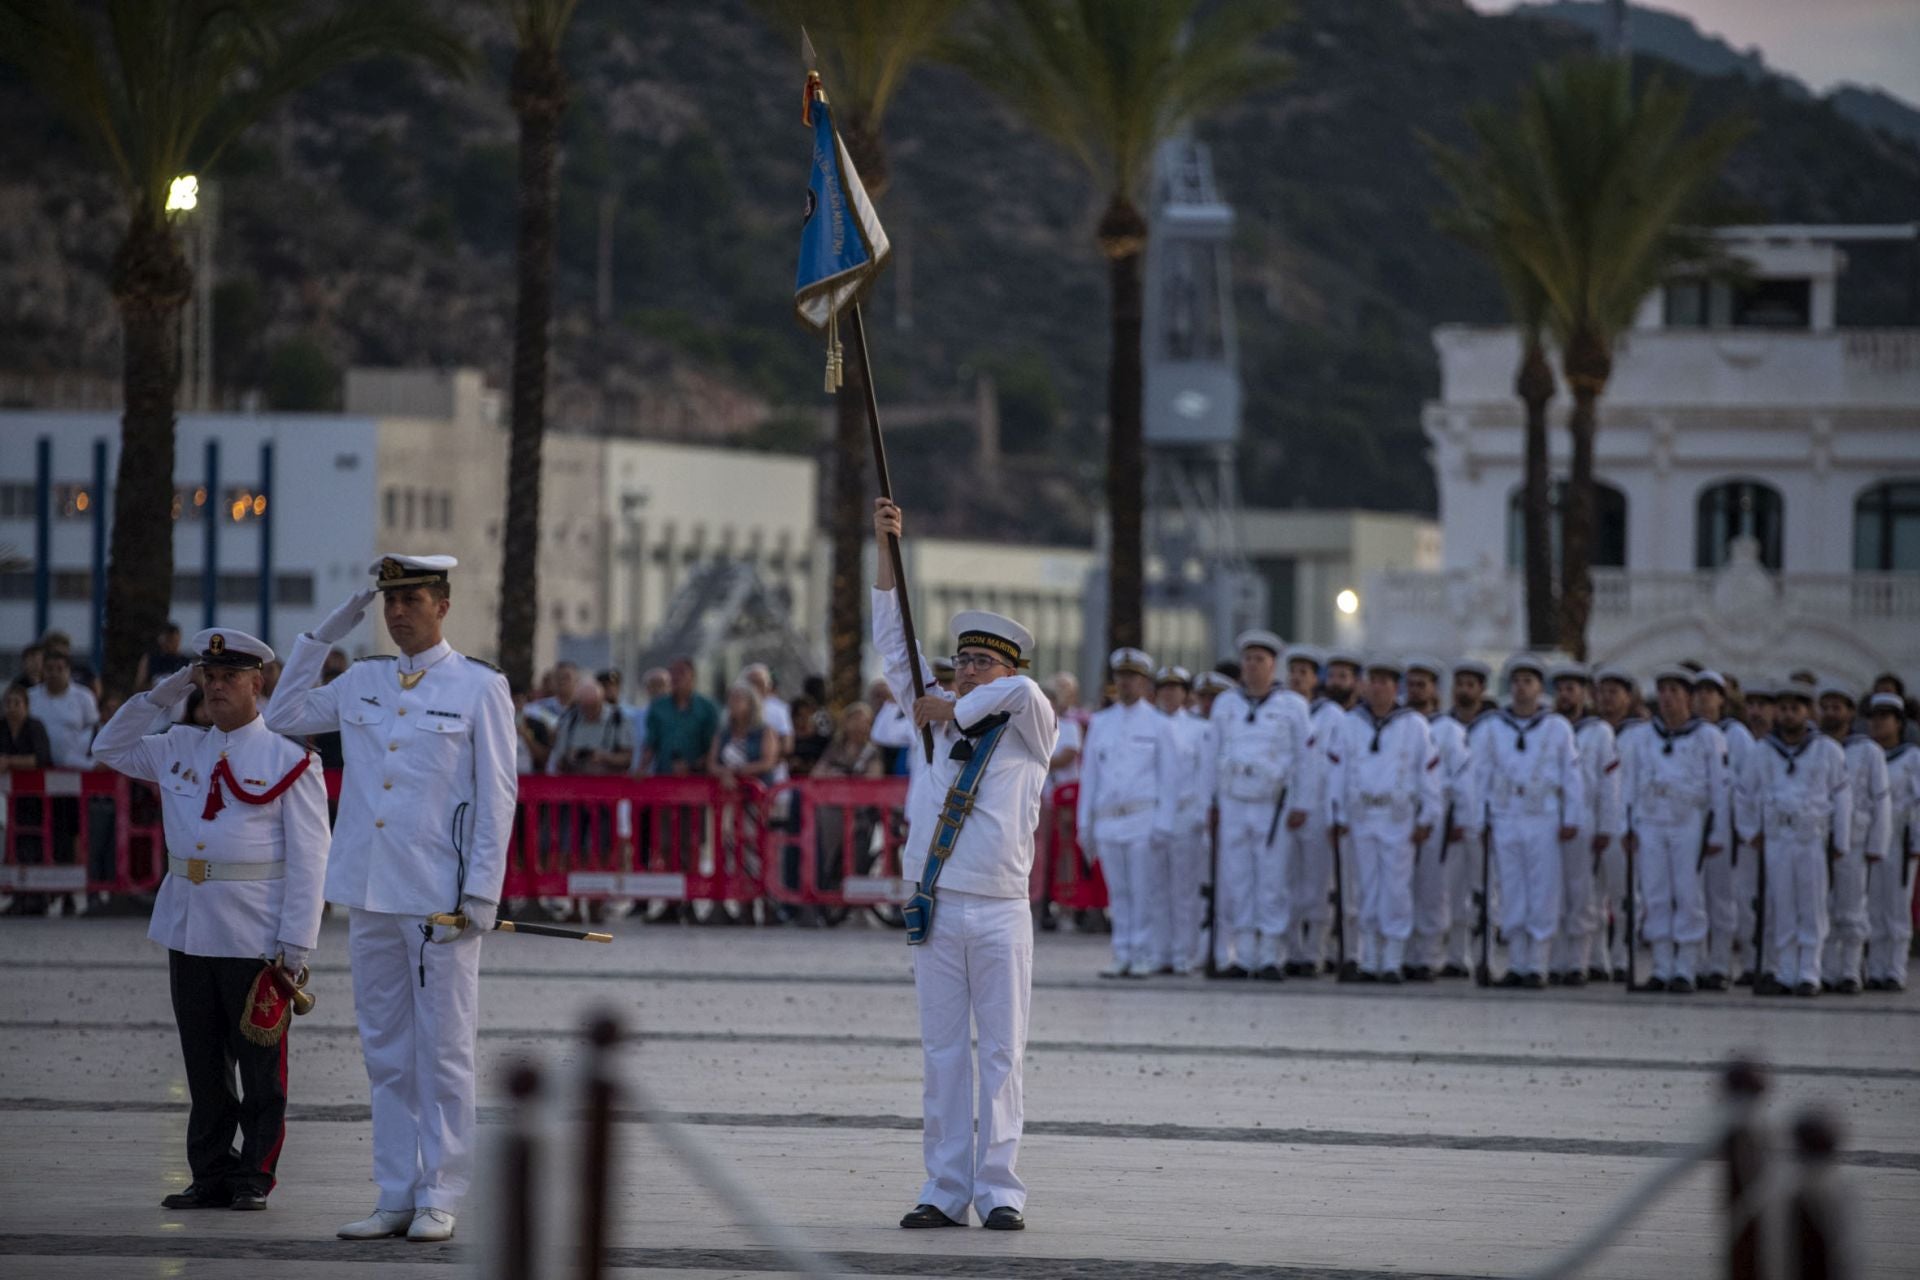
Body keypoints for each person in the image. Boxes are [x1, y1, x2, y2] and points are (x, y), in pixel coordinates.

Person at [264, 555, 515, 1243]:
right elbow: (283, 713)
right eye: (388, 601)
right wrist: (324, 632)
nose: (397, 611)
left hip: (439, 900)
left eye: (412, 599)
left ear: (442, 605)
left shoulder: (478, 687)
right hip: (370, 892)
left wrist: (482, 893)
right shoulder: (363, 680)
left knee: (444, 1048)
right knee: (386, 1050)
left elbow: (498, 797)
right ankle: (396, 1190)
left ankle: (442, 1190)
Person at [92, 629, 330, 1212]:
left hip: (256, 934)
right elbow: (108, 747)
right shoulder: (179, 744)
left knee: (260, 1066)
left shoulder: (290, 760)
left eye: (230, 677)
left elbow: (311, 858)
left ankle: (256, 1173)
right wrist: (168, 690)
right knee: (203, 1063)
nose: (218, 687)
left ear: (258, 684)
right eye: (210, 676)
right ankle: (210, 1171)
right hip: (189, 925)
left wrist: (295, 946)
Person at [873, 498, 1055, 1233]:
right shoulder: (934, 714)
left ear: (1007, 667)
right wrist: (888, 549)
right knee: (944, 1053)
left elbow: (1025, 691)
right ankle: (945, 1188)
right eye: (962, 661)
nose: (968, 671)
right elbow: (894, 642)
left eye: (982, 661)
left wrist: (951, 707)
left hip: (1003, 908)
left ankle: (1000, 1189)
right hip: (940, 906)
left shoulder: (1026, 725)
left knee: (1002, 1055)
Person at [1326, 656, 1441, 983]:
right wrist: (1335, 814)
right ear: (1363, 685)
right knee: (1365, 888)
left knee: (1396, 888)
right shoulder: (1350, 723)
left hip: (1397, 816)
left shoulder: (1414, 725)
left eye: (1385, 682)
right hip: (1361, 814)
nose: (1378, 688)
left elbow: (1429, 773)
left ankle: (1392, 959)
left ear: (1396, 687)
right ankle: (1368, 958)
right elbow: (1337, 771)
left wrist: (1427, 816)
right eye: (1373, 681)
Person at [1473, 655, 1583, 989]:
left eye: (1528, 682)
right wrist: (1479, 818)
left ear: (1540, 688)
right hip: (1506, 814)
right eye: (1517, 682)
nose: (1522, 689)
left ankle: (1538, 963)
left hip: (1542, 815)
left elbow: (1571, 775)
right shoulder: (1492, 726)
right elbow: (1479, 775)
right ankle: (1517, 962)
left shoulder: (1557, 727)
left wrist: (1572, 816)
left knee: (1543, 888)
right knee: (1512, 890)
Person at [1208, 630, 1311, 979]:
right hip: (1235, 800)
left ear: (1273, 665)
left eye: (1259, 660)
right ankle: (1243, 954)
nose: (1252, 666)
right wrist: (1212, 802)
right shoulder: (1226, 704)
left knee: (1272, 880)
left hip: (1273, 805)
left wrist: (1302, 803)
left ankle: (1270, 954)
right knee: (1238, 879)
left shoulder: (1293, 706)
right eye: (1247, 660)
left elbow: (1304, 759)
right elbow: (1213, 755)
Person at [1737, 680, 1850, 997]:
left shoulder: (1826, 749)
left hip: (1811, 836)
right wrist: (1750, 832)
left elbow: (1842, 798)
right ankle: (1786, 970)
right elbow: (1745, 794)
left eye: (1795, 709)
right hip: (1777, 836)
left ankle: (1809, 971)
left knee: (1812, 906)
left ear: (1808, 712)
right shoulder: (1763, 751)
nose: (1788, 715)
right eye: (1783, 709)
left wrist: (1840, 841)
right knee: (1781, 904)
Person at [1618, 668, 1726, 994]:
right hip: (1650, 820)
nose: (1667, 698)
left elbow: (1720, 789)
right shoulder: (1641, 736)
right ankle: (1662, 966)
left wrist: (1717, 832)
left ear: (1689, 698)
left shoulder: (1707, 736)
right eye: (1663, 691)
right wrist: (1626, 826)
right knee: (1655, 894)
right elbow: (1629, 784)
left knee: (1687, 894)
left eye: (1674, 691)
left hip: (1688, 820)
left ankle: (1686, 968)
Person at [1079, 648, 1174, 978]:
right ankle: (1122, 951)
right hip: (1108, 818)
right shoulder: (1101, 723)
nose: (1126, 683)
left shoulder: (1159, 724)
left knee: (1142, 890)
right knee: (1118, 893)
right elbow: (1090, 777)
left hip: (1143, 817)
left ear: (1145, 682)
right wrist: (1084, 825)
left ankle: (1143, 952)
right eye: (1121, 677)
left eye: (1132, 677)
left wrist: (1164, 823)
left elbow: (1168, 778)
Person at [1550, 664, 1621, 986]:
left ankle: (1583, 960)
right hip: (1550, 819)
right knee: (1552, 892)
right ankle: (1556, 959)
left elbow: (1609, 784)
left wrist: (1607, 826)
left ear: (1584, 694)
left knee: (1584, 893)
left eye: (1572, 689)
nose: (1566, 695)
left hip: (1587, 821)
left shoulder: (1599, 731)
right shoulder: (1548, 728)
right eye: (1561, 689)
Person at [1818, 682, 1889, 994]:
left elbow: (1881, 799)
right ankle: (1827, 970)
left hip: (1856, 841)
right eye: (1827, 707)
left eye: (1838, 707)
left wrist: (1878, 844)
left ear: (1849, 713)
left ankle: (1850, 969)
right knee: (1822, 907)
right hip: (1818, 840)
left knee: (1851, 907)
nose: (1832, 713)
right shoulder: (1815, 747)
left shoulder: (1868, 751)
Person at [1403, 658, 1472, 981]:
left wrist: (1459, 818)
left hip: (1439, 817)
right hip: (1401, 814)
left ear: (1434, 690)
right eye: (1411, 684)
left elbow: (1462, 778)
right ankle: (1405, 953)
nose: (1416, 691)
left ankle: (1429, 956)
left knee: (1434, 888)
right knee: (1402, 886)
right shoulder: (1399, 725)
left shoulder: (1450, 730)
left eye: (1422, 685)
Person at [1282, 645, 1341, 976]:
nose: (1297, 678)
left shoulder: (1331, 715)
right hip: (1285, 808)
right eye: (1293, 671)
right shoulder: (1281, 709)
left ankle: (1315, 951)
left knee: (1316, 885)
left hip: (1318, 809)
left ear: (1315, 679)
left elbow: (1335, 767)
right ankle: (1291, 949)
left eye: (1304, 673)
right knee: (1286, 883)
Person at [1690, 671, 1750, 990]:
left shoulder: (1736, 735)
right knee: (1692, 897)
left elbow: (1745, 783)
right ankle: (1697, 961)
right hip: (1689, 825)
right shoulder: (1687, 734)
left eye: (1710, 693)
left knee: (1721, 898)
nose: (1702, 699)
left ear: (1722, 699)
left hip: (1724, 826)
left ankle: (1720, 962)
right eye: (1697, 692)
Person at [1150, 666, 1213, 974]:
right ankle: (1160, 951)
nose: (1169, 694)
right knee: (1157, 888)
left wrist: (1202, 815)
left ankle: (1183, 953)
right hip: (1153, 813)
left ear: (1186, 694)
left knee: (1184, 890)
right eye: (1164, 688)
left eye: (1176, 688)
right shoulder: (1150, 725)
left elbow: (1204, 775)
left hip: (1187, 813)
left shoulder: (1199, 729)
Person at [1442, 659, 1498, 979]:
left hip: (1484, 824)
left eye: (1470, 685)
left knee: (1485, 892)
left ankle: (1485, 955)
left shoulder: (1495, 728)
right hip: (1452, 825)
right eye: (1459, 684)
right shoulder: (1443, 727)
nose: (1464, 691)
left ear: (1481, 690)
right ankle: (1455, 955)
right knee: (1453, 891)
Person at [1864, 693, 1918, 991]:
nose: (1878, 723)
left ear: (1898, 723)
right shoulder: (1866, 754)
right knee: (1872, 905)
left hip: (1900, 836)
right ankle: (1875, 967)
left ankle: (1894, 968)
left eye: (1885, 717)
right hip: (1871, 837)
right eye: (1874, 717)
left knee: (1896, 906)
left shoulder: (1912, 758)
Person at [639, 658, 719, 777]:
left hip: (698, 780)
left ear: (693, 676)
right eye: (673, 672)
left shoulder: (708, 708)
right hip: (664, 778)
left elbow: (713, 747)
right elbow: (650, 744)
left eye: (681, 672)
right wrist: (641, 768)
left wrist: (692, 766)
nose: (676, 677)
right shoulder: (658, 707)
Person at [547, 679, 635, 776]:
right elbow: (558, 759)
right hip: (576, 781)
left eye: (594, 707)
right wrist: (570, 757)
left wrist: (605, 757)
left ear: (602, 700)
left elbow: (628, 758)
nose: (589, 712)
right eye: (585, 707)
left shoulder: (618, 720)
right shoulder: (570, 720)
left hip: (609, 782)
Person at [28, 648, 99, 769]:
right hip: (37, 769)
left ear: (68, 670)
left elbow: (94, 731)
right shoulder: (30, 696)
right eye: (49, 669)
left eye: (60, 669)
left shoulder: (84, 697)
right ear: (43, 671)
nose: (54, 673)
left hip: (75, 769)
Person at [708, 681, 780, 790]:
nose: (732, 703)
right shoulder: (723, 733)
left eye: (737, 699)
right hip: (726, 792)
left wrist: (737, 771)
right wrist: (725, 773)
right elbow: (712, 764)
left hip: (757, 790)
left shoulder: (765, 732)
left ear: (751, 704)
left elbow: (768, 763)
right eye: (730, 699)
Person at [135, 621, 191, 690]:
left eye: (174, 641)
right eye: (169, 640)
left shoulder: (185, 661)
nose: (171, 645)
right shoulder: (150, 658)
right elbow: (140, 684)